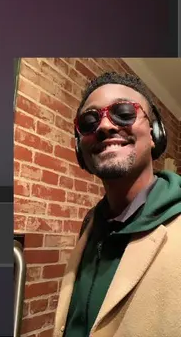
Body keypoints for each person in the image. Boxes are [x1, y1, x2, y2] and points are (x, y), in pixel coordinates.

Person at [52, 72, 181, 337]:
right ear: (79, 147)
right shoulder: (92, 224)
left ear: (155, 134)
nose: (104, 126)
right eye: (90, 121)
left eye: (124, 113)